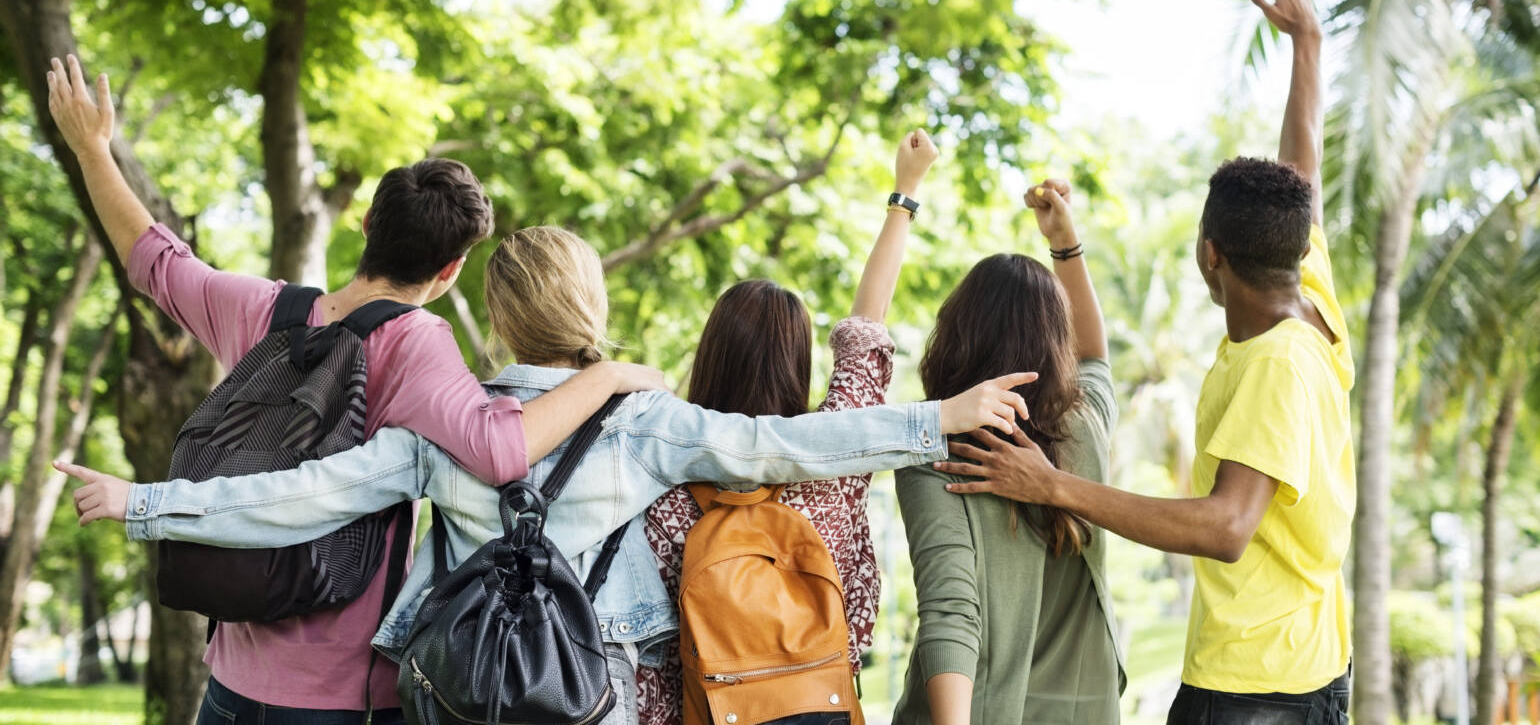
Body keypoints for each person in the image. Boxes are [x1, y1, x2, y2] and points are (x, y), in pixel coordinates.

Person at [57, 225, 1038, 725]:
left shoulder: (446, 424)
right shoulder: (645, 421)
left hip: (458, 687)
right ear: (591, 302)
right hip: (590, 689)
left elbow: (296, 497)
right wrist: (935, 419)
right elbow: (790, 446)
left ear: (499, 311)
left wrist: (144, 501)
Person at [45, 55, 666, 723]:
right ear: (451, 270)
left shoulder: (262, 311)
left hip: (228, 683)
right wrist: (608, 375)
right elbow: (500, 449)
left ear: (366, 225)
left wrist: (93, 150)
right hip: (340, 696)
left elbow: (156, 262)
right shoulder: (417, 343)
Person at [933, 0, 1354, 724]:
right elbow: (1302, 169)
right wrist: (1308, 46)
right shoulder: (1306, 291)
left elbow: (1227, 527)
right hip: (1308, 661)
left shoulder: (1275, 366)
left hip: (1255, 688)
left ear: (1209, 255)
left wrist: (1054, 485)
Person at [637, 129, 939, 724]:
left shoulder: (659, 473)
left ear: (711, 355)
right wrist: (904, 194)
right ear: (796, 362)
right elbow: (866, 328)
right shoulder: (836, 457)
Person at [891, 176, 1123, 724]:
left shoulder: (937, 453)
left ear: (956, 335)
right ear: (1053, 341)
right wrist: (1066, 244)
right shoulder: (1084, 427)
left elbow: (951, 614)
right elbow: (1095, 355)